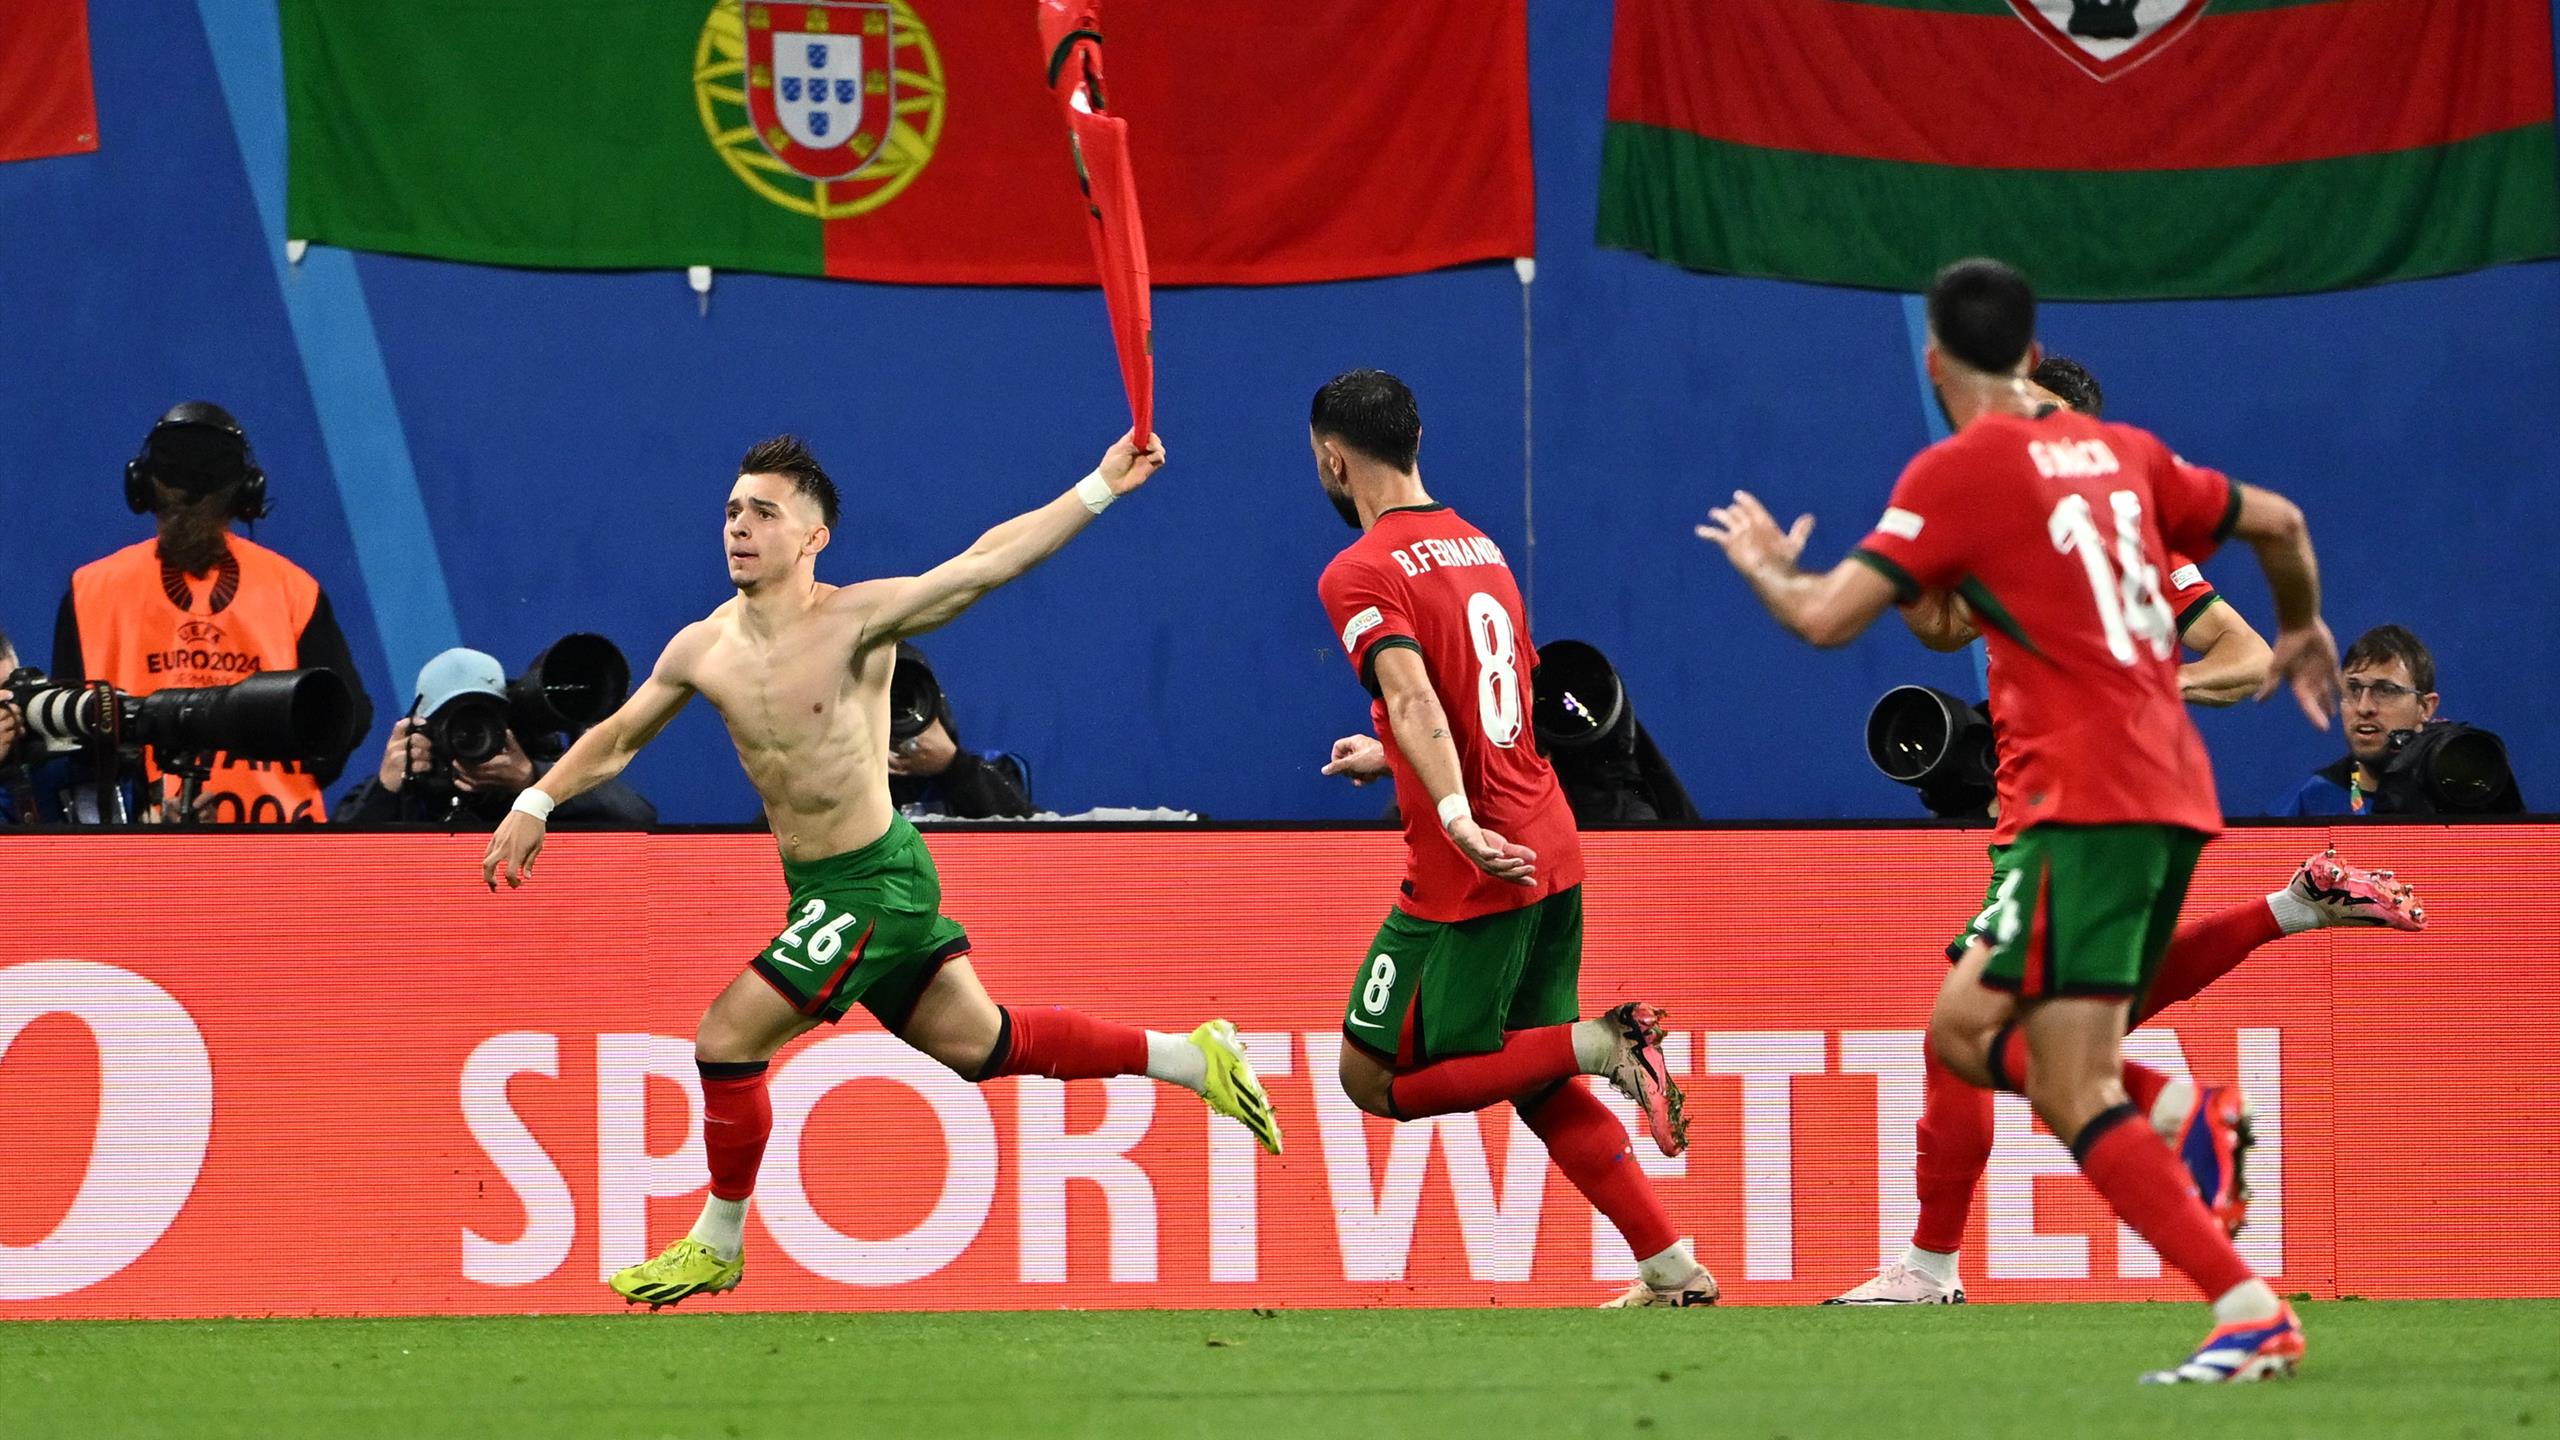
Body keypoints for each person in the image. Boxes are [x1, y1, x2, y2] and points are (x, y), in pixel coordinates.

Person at [1697, 259, 2339, 1382]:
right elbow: (2279, 520)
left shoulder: (1960, 469)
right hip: (2167, 797)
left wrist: (1768, 569)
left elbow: (1821, 620)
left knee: (2045, 1067)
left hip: (2079, 799)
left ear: (1936, 363)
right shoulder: (2126, 458)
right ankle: (2234, 1273)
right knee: (1975, 1035)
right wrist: (2301, 629)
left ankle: (2197, 1178)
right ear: (2034, 358)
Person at [479, 431, 1280, 1309]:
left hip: (878, 882)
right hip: (822, 891)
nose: (740, 527)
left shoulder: (860, 621)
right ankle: (1189, 1056)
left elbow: (986, 564)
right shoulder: (701, 647)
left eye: (764, 513)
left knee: (725, 1039)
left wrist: (1099, 486)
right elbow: (619, 737)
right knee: (983, 1047)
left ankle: (718, 1240)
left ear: (813, 537)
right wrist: (537, 801)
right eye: (733, 510)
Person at [1834, 357, 2427, 1308]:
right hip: (2056, 811)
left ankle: (1937, 1264)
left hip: (2084, 811)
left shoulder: (2128, 541)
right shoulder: (2001, 528)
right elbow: (1939, 628)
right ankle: (2289, 913)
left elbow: (2243, 656)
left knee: (1972, 1033)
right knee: (2064, 1036)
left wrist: (2141, 692)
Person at [1307, 369, 1715, 1309]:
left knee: (1373, 1076)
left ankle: (1605, 1042)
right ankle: (1672, 1268)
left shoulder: (1359, 570)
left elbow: (1414, 691)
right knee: (1524, 1065)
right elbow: (1507, 700)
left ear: (1334, 458)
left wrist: (1449, 810)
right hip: (1553, 842)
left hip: (1470, 866)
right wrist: (1395, 757)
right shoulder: (1478, 545)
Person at [53, 402, 372, 822]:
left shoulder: (90, 589)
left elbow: (63, 730)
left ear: (142, 487)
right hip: (277, 849)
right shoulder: (293, 588)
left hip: (134, 849)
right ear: (245, 493)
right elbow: (345, 718)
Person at [335, 648, 656, 826]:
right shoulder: (409, 786)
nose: (473, 735)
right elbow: (332, 864)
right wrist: (386, 790)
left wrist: (536, 785)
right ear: (423, 729)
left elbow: (637, 816)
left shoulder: (536, 773)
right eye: (456, 722)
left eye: (485, 716)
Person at [2272, 624, 2522, 816]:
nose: (2364, 707)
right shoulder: (2313, 797)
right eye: (2353, 689)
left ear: (2426, 707)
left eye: (2385, 690)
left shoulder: (2463, 787)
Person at [885, 645, 1037, 819]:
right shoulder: (849, 775)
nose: (890, 710)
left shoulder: (988, 770)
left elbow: (1027, 832)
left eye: (905, 699)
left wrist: (953, 765)